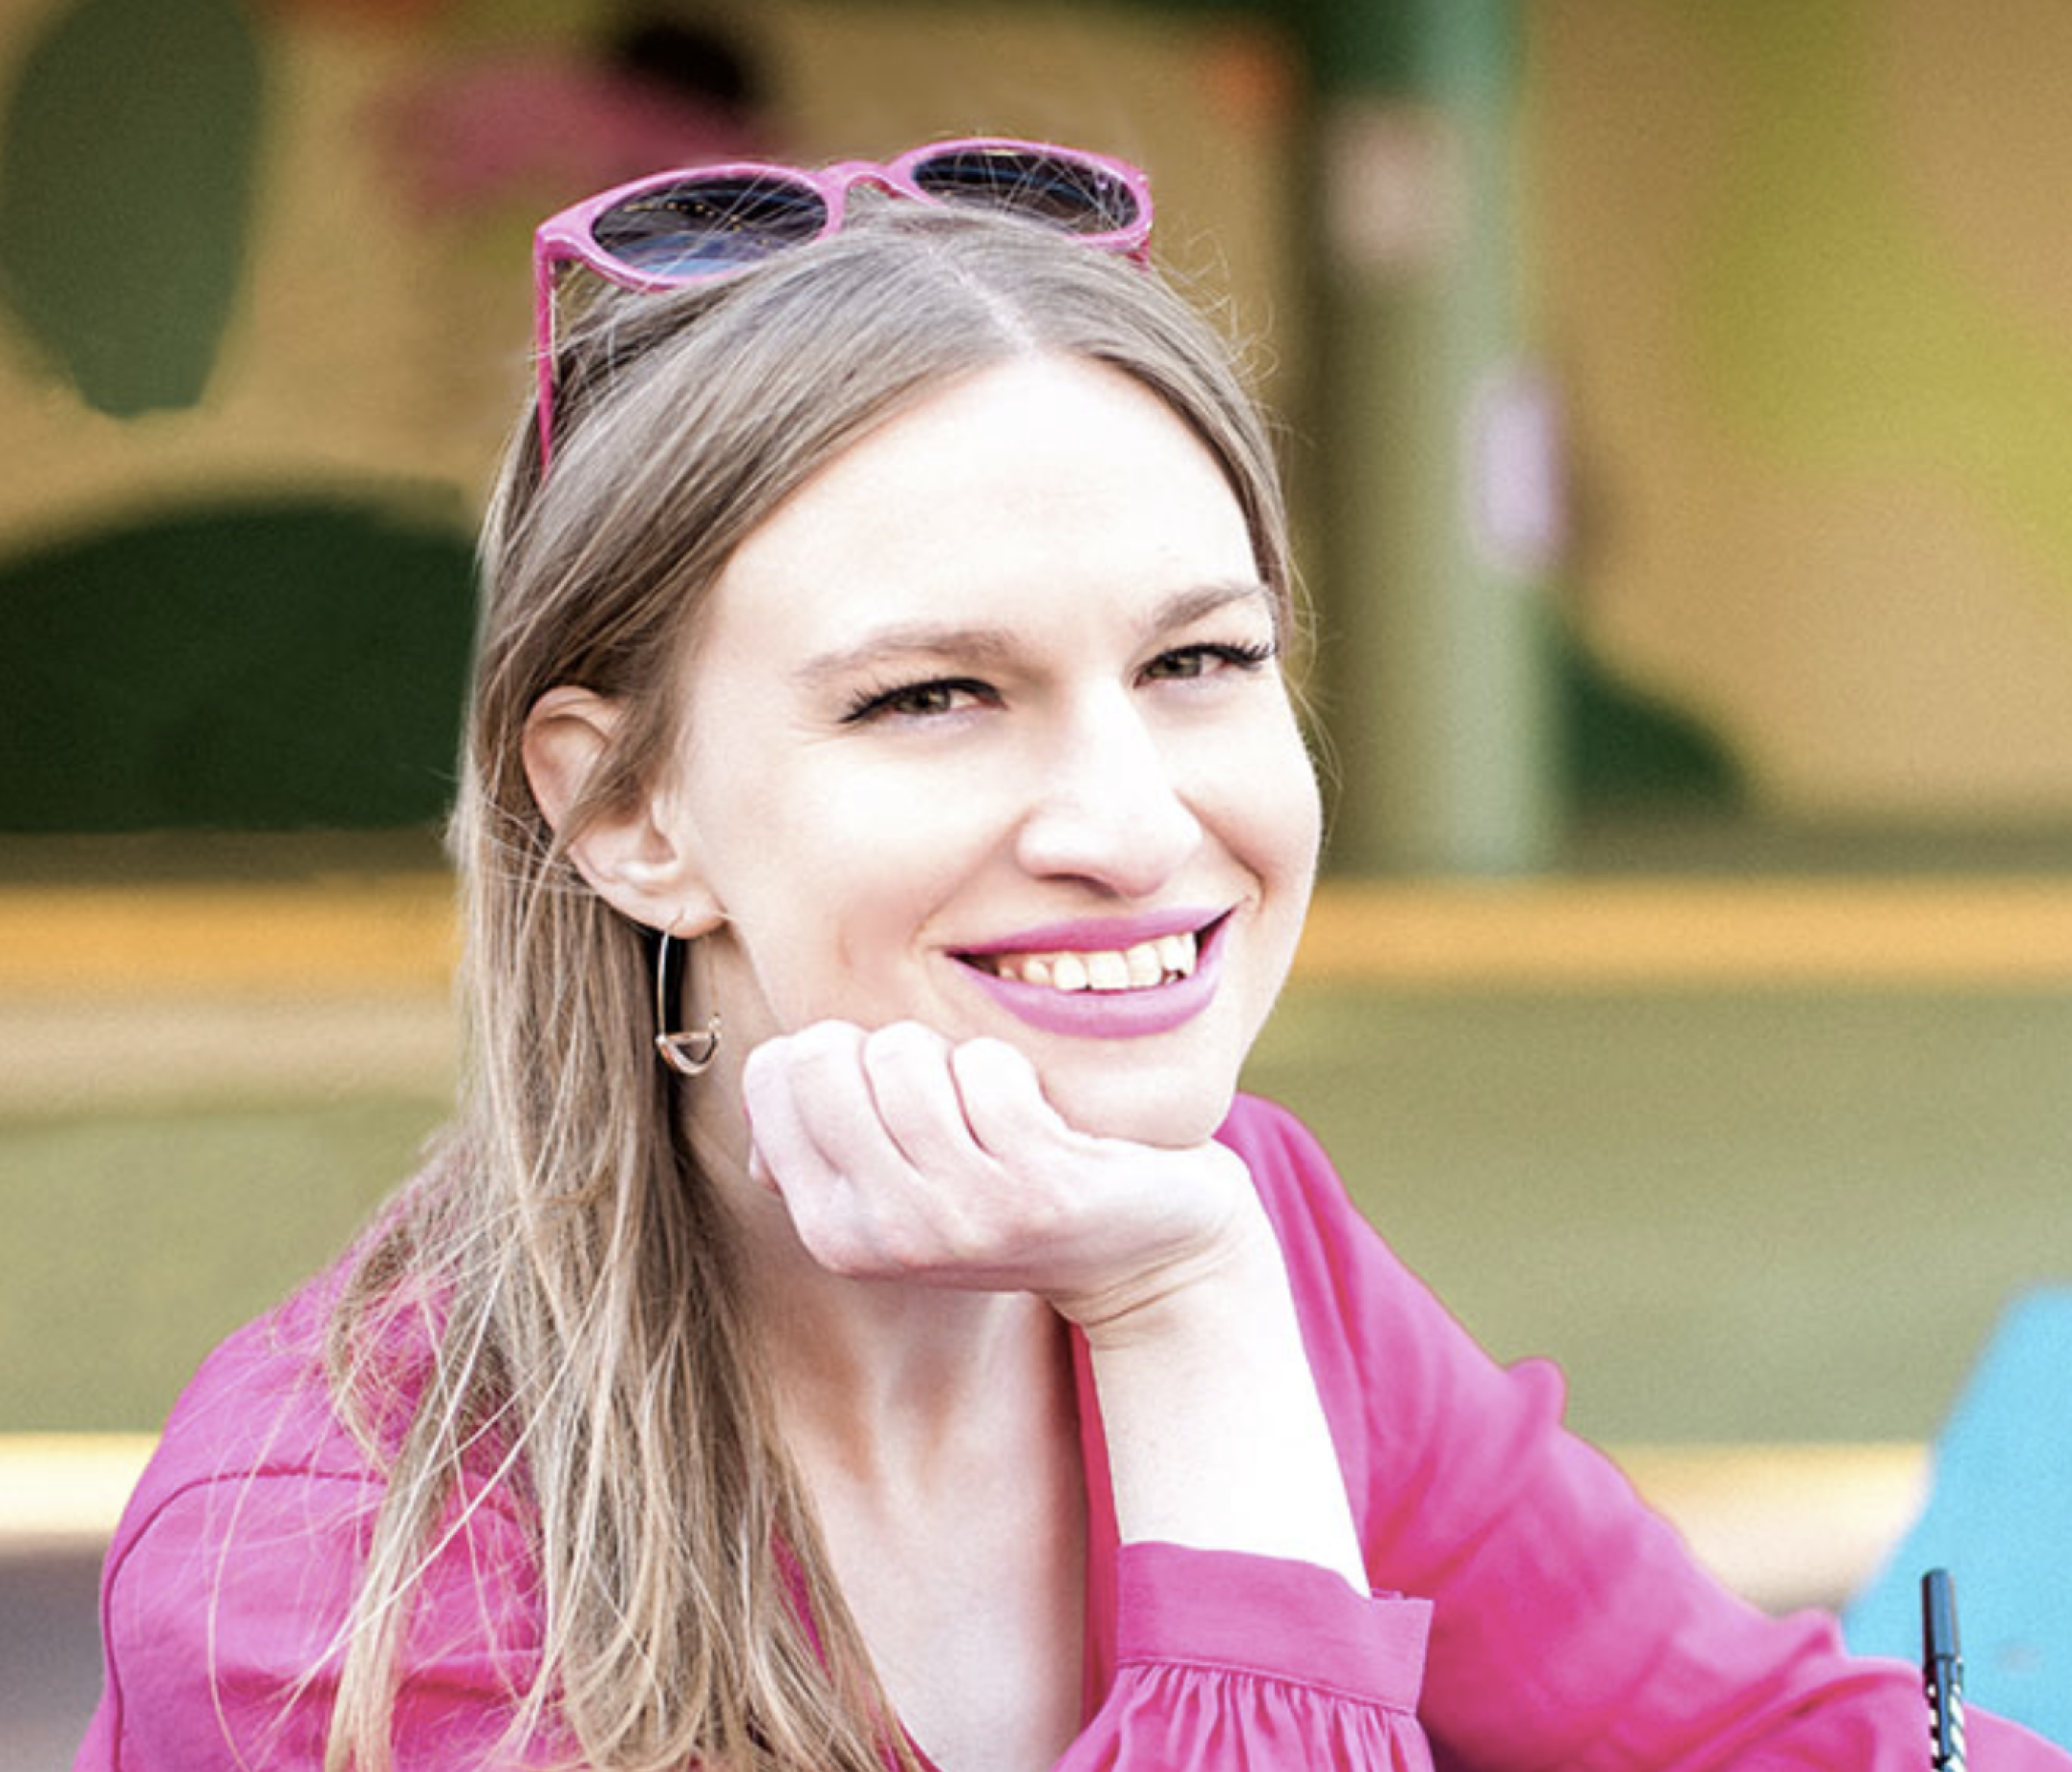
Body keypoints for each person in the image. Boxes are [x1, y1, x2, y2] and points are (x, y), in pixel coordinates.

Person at [76, 140, 2068, 1772]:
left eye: (1199, 661)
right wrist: (1186, 1328)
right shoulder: (332, 1564)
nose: (1125, 822)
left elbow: (1758, 1735)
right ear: (627, 817)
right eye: (935, 696)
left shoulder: (1251, 1226)